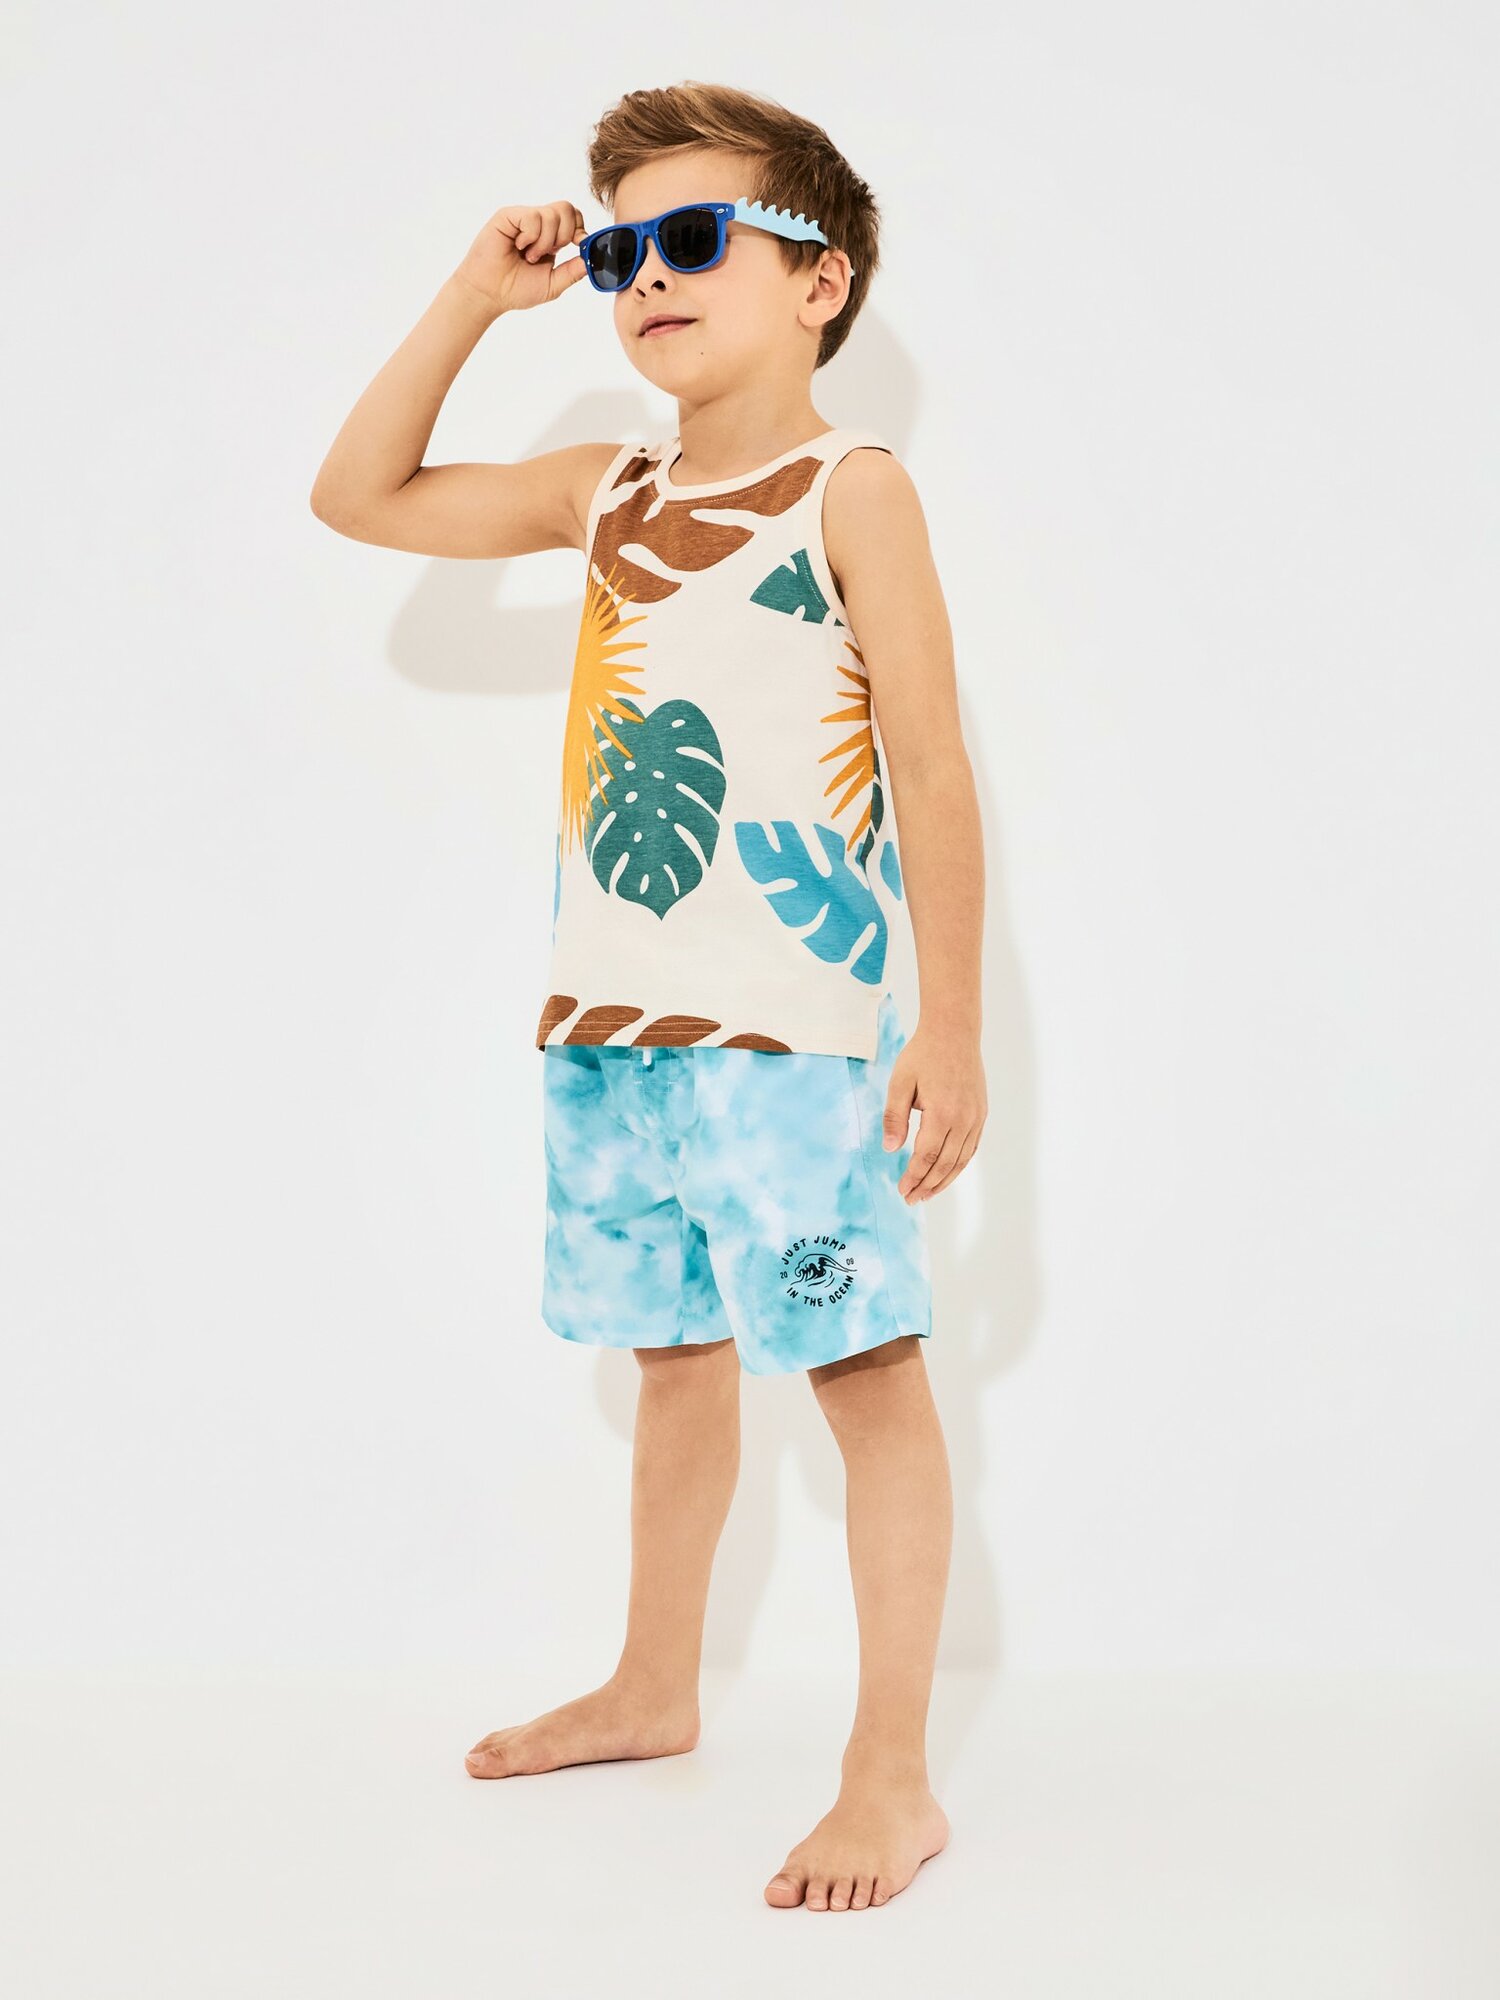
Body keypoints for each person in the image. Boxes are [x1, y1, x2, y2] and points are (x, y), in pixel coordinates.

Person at [310, 80, 986, 1914]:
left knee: (865, 1373)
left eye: (694, 239)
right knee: (674, 1361)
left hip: (795, 1038)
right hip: (609, 1032)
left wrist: (951, 1026)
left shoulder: (854, 491)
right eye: (622, 252)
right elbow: (356, 496)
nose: (647, 277)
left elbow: (930, 766)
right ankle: (653, 1683)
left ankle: (892, 1772)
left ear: (820, 282)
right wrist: (477, 295)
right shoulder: (608, 492)